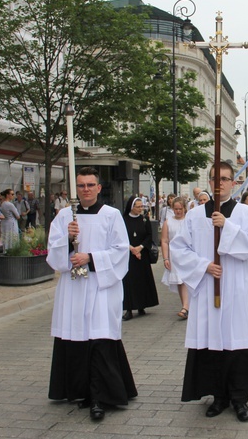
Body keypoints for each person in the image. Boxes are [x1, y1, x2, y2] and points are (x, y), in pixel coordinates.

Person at [169, 161, 248, 422]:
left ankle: (239, 398)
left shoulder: (245, 214)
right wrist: (204, 266)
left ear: (233, 183)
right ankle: (218, 396)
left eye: (225, 179)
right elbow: (178, 249)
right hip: (208, 287)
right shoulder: (194, 215)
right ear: (210, 182)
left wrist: (227, 226)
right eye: (215, 179)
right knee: (212, 343)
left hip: (236, 288)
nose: (220, 183)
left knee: (236, 343)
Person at [46, 166, 137, 421]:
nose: (86, 189)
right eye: (81, 185)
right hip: (74, 286)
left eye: (90, 185)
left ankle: (99, 397)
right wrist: (66, 238)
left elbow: (121, 251)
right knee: (77, 338)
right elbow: (52, 252)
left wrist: (91, 257)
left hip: (100, 285)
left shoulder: (111, 215)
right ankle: (79, 391)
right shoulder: (65, 215)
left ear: (99, 187)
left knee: (99, 338)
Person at [121, 196, 159, 321]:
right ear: (131, 207)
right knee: (129, 282)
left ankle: (142, 305)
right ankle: (129, 309)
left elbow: (149, 235)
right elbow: (120, 236)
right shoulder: (123, 220)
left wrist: (140, 247)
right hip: (129, 256)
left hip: (142, 255)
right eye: (138, 207)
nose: (140, 209)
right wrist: (132, 249)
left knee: (142, 280)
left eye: (141, 206)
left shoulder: (144, 219)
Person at [160, 196, 189, 319]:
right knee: (179, 281)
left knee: (185, 281)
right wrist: (165, 258)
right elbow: (165, 240)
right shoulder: (168, 222)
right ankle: (185, 306)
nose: (178, 211)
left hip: (187, 253)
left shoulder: (188, 220)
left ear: (184, 208)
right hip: (174, 255)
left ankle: (186, 307)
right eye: (176, 209)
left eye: (180, 209)